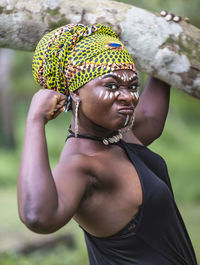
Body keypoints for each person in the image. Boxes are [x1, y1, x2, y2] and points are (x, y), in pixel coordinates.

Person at [18, 23, 197, 265]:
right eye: (111, 86)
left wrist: (163, 32)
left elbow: (151, 118)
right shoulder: (81, 166)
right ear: (76, 93)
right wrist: (35, 120)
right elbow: (37, 216)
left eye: (132, 86)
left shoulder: (117, 138)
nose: (128, 96)